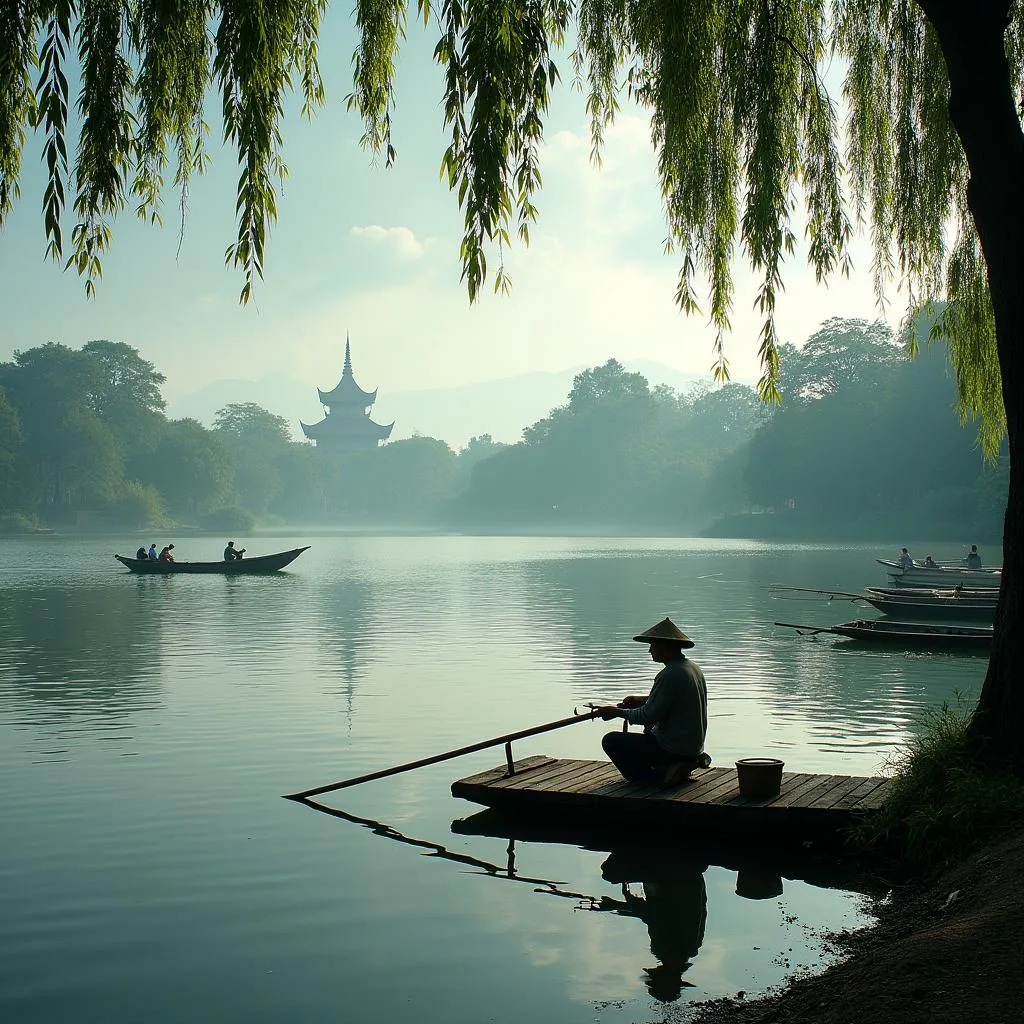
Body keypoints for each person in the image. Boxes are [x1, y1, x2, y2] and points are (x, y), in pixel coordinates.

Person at [596, 617, 710, 788]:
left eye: (653, 645)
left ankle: (661, 776)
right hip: (692, 747)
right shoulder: (690, 668)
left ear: (665, 646)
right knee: (648, 733)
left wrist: (616, 712)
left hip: (674, 748)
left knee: (611, 741)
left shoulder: (670, 674)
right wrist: (641, 700)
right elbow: (673, 700)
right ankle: (679, 766)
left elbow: (647, 716)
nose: (650, 650)